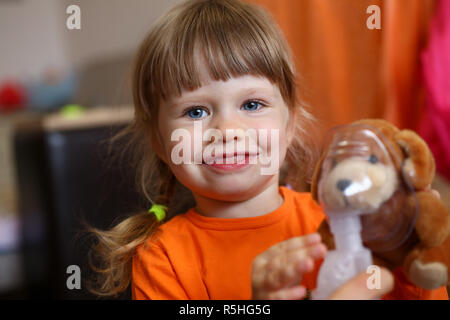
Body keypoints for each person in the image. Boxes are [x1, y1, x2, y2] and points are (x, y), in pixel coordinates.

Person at [87, 0, 448, 300]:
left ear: (290, 125)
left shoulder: (341, 220)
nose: (228, 131)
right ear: (160, 142)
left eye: (252, 105)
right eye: (196, 111)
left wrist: (409, 239)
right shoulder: (161, 259)